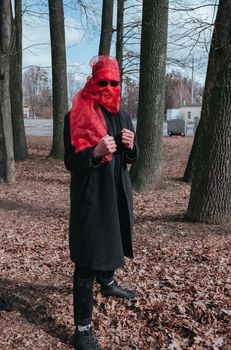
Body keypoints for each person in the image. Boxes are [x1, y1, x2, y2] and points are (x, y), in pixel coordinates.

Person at [63, 55, 138, 350]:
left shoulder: (122, 115)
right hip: (90, 197)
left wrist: (131, 148)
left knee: (113, 241)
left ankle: (107, 284)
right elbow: (70, 162)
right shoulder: (75, 115)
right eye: (103, 81)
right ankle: (81, 329)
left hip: (117, 192)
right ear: (93, 81)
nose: (108, 87)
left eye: (114, 82)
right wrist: (93, 153)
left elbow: (132, 158)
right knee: (86, 258)